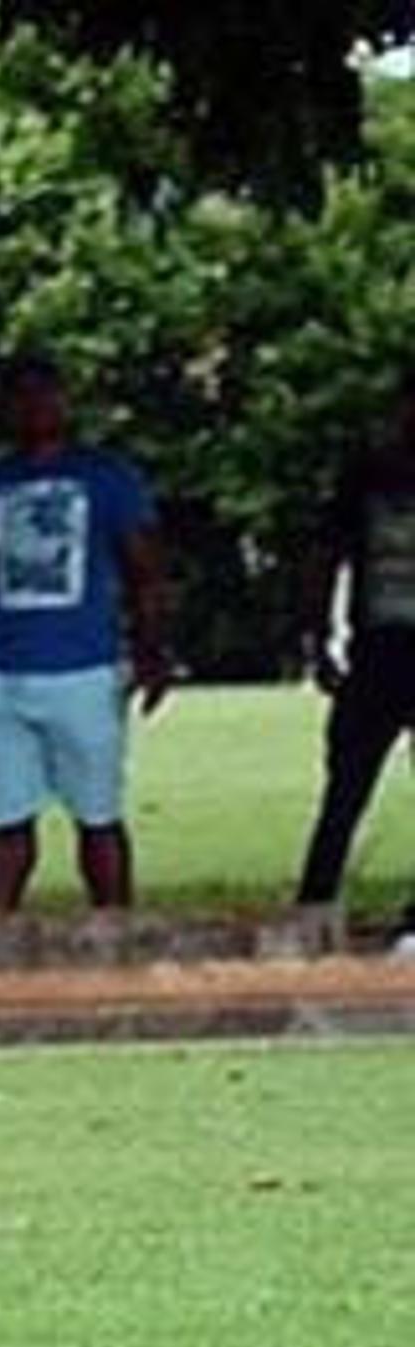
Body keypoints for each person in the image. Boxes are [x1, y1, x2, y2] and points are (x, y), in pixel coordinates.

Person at [0, 355, 169, 912]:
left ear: (65, 401)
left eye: (44, 394)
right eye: (20, 397)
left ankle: (115, 932)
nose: (33, 407)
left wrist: (152, 649)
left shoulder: (108, 478)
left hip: (85, 666)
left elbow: (145, 571)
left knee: (98, 815)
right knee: (4, 820)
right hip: (1, 670)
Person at [295, 372, 415, 954]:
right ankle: (315, 903)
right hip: (377, 656)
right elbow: (324, 555)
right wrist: (318, 636)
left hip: (380, 656)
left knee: (346, 789)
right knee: (346, 789)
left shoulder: (367, 473)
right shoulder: (366, 477)